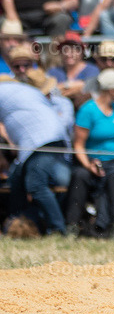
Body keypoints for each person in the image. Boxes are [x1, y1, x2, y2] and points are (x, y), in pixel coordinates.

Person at [64, 70, 114, 238]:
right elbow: (79, 144)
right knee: (80, 176)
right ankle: (72, 226)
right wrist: (88, 165)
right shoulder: (88, 110)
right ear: (111, 90)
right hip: (92, 160)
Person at [0, 79, 72, 235]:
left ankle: (58, 230)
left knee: (36, 185)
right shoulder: (22, 90)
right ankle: (16, 223)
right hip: (45, 140)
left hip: (41, 141)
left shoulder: (2, 91)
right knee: (17, 180)